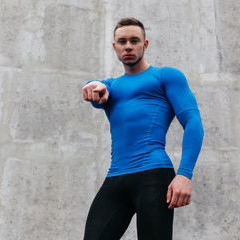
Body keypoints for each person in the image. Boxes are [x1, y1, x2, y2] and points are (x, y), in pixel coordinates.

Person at [82, 17, 204, 240]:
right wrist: (92, 84)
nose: (128, 46)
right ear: (115, 47)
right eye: (122, 41)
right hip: (116, 179)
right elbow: (97, 91)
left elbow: (193, 122)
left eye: (134, 40)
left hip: (154, 177)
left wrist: (185, 175)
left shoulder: (166, 76)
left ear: (145, 44)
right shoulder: (111, 87)